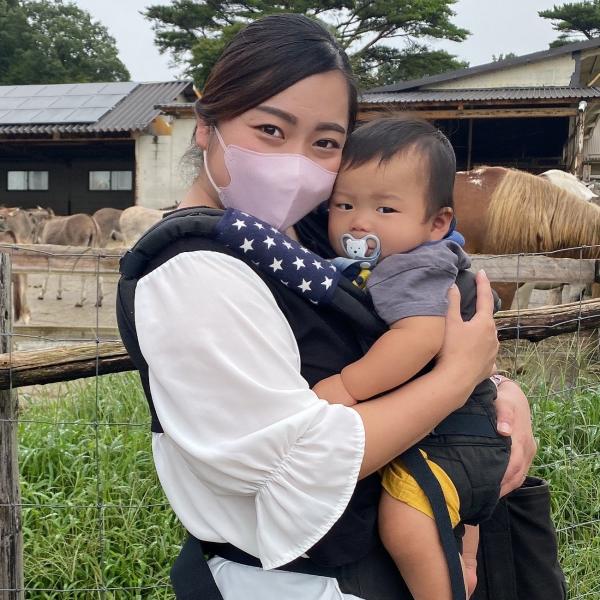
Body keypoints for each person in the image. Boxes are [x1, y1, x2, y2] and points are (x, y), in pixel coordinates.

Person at [117, 13, 541, 600]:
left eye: (325, 143)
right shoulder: (193, 268)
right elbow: (300, 463)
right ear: (206, 125)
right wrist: (457, 378)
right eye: (270, 130)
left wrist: (498, 393)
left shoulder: (320, 233)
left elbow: (423, 318)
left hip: (387, 558)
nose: (295, 161)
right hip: (296, 581)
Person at [313, 117, 510, 599]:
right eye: (344, 204)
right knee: (450, 517)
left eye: (385, 208)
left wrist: (349, 387)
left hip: (453, 432)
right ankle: (461, 564)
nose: (360, 222)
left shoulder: (411, 266)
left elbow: (419, 338)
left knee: (403, 521)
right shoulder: (396, 258)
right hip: (460, 427)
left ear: (437, 223)